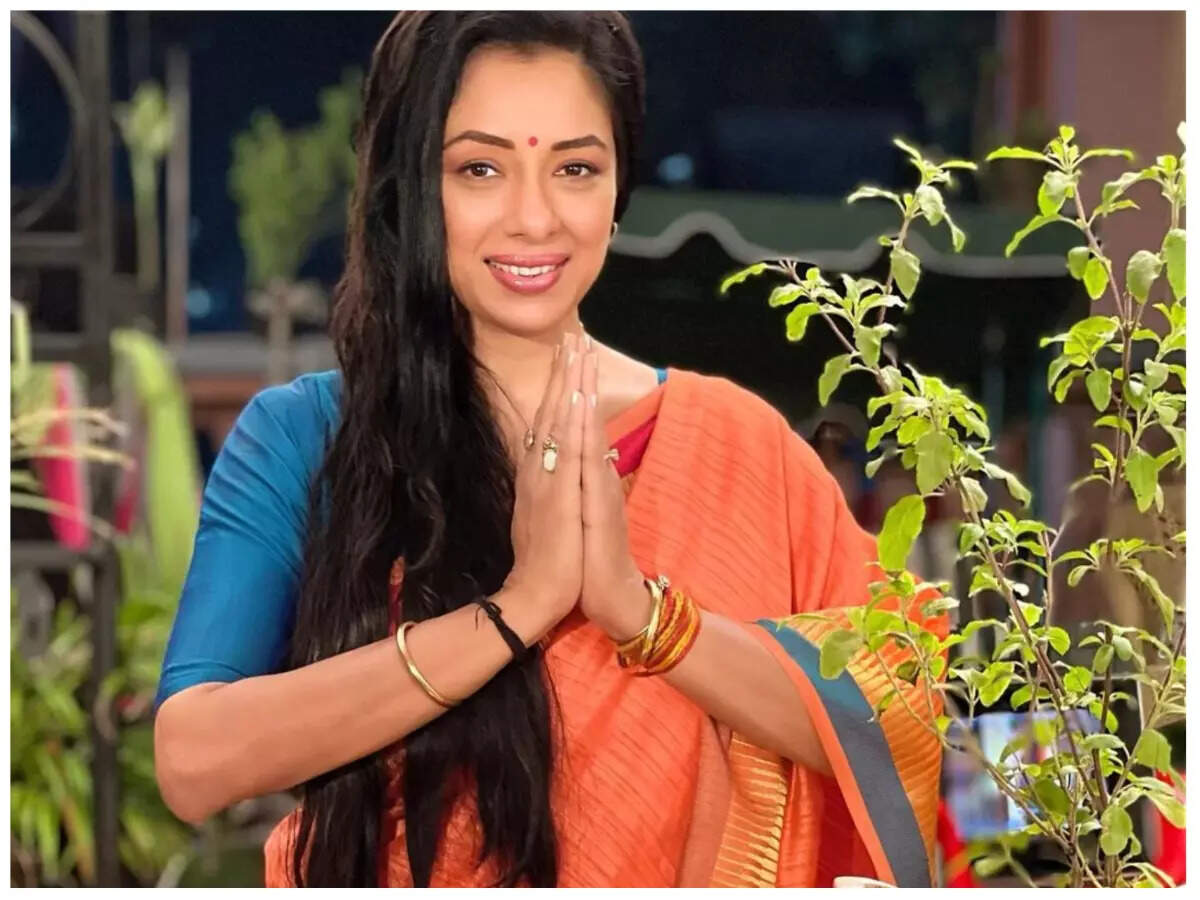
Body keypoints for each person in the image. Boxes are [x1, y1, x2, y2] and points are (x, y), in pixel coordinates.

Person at [153, 11, 945, 888]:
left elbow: (900, 720)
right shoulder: (309, 436)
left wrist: (641, 616)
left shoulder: (737, 443)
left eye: (575, 168)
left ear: (618, 189)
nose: (534, 218)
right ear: (411, 187)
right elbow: (193, 760)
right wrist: (516, 610)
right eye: (480, 168)